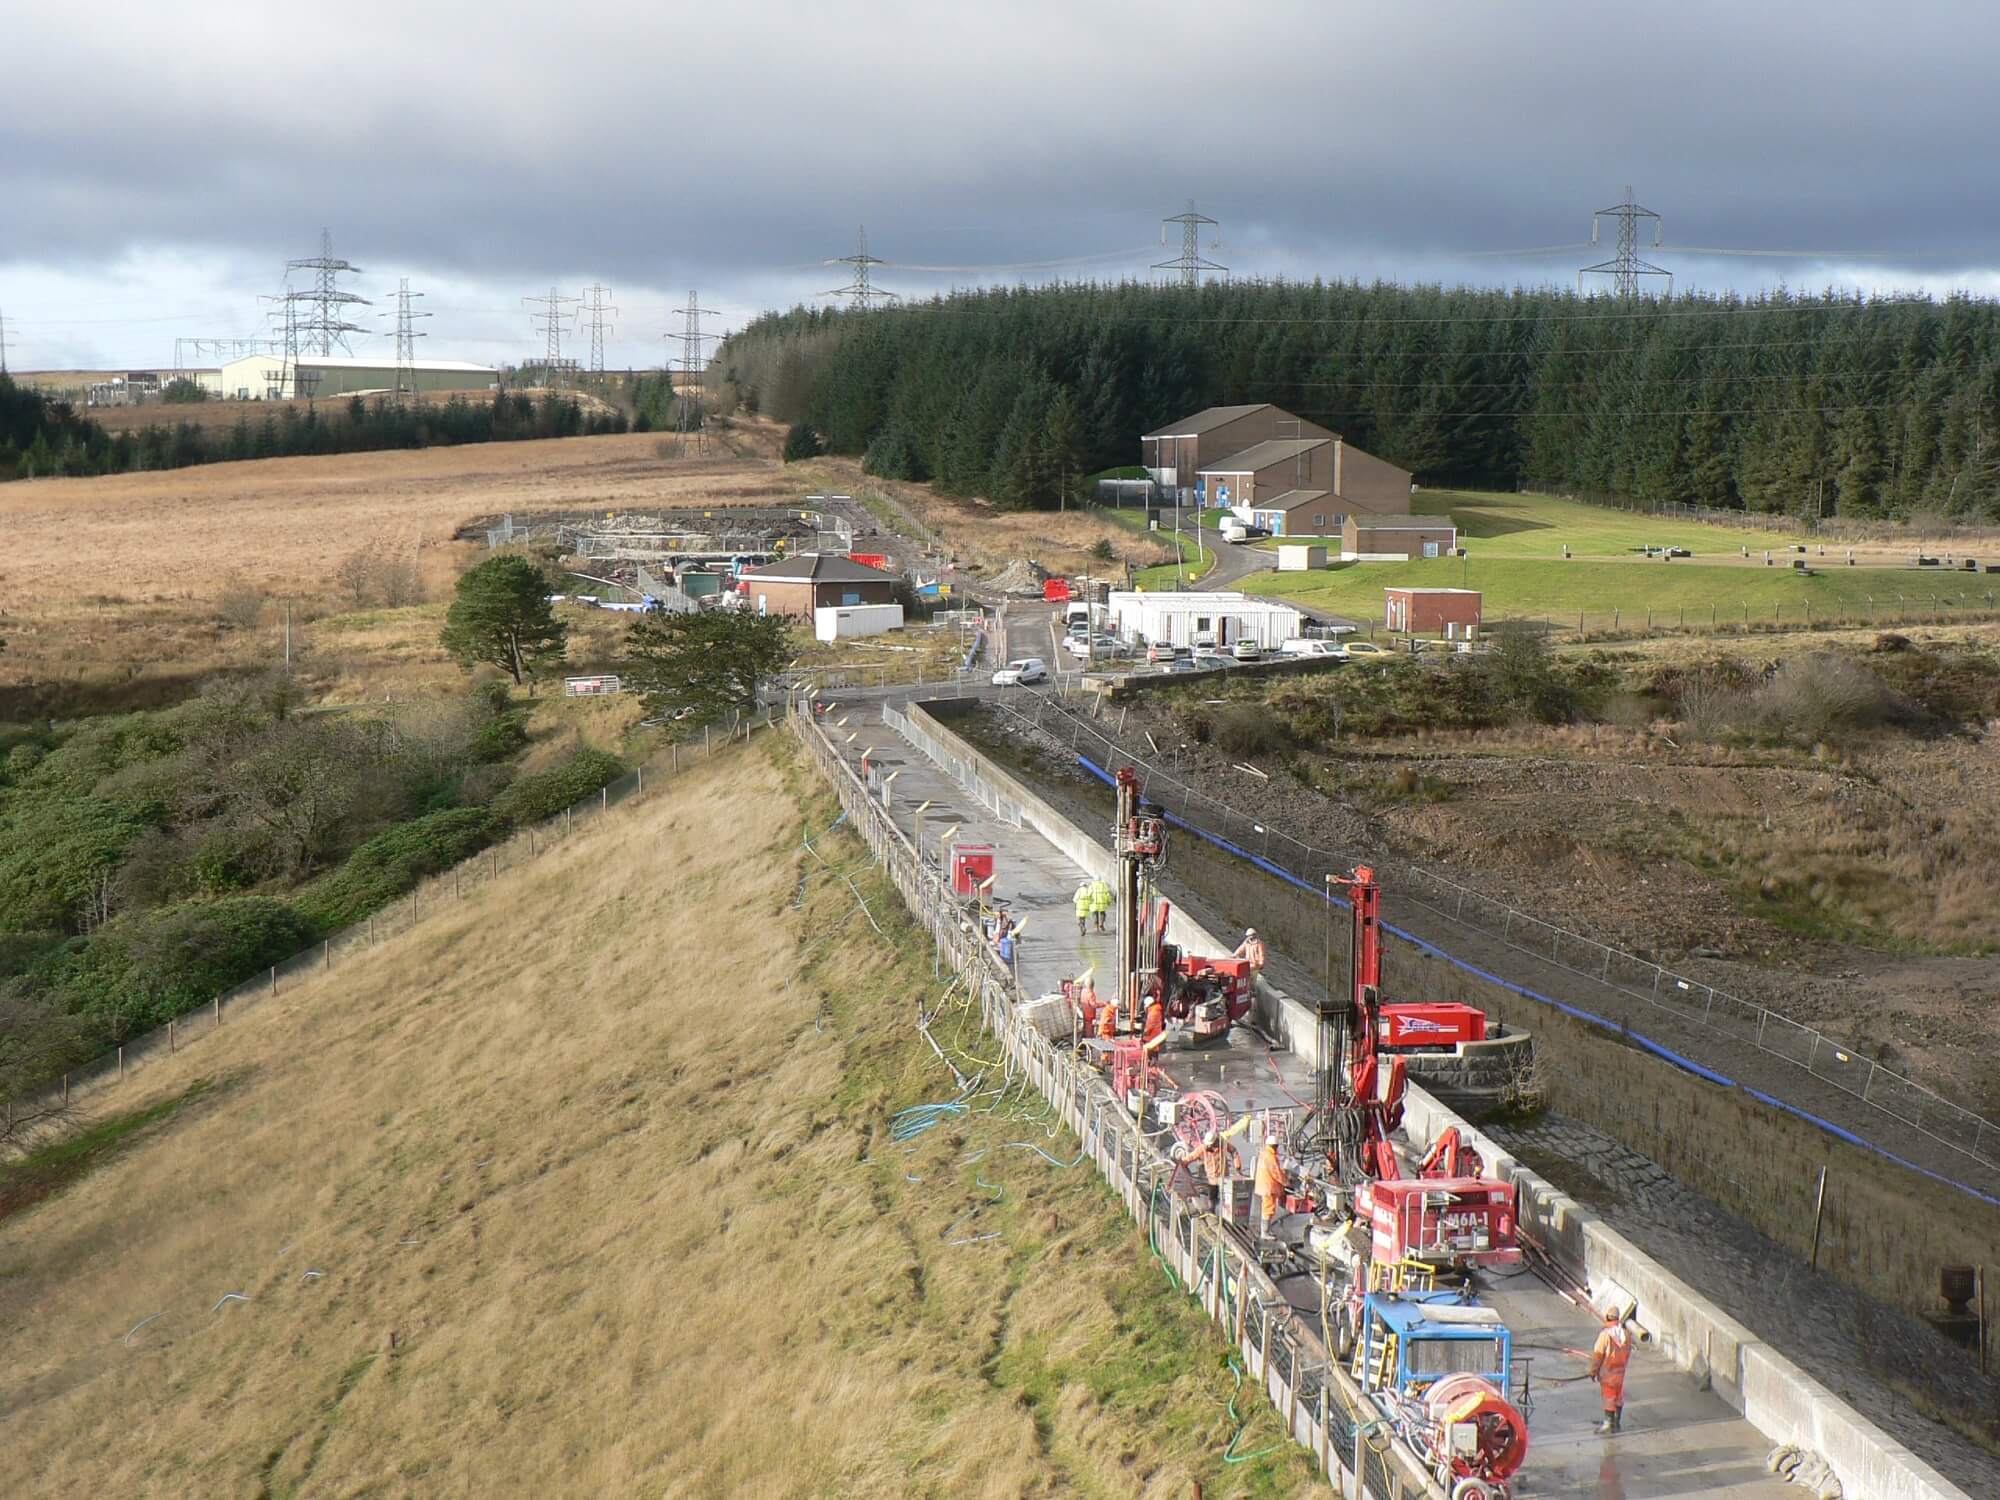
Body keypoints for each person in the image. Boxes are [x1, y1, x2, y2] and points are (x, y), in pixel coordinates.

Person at [1589, 1306, 1634, 1435]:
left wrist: (1593, 1371)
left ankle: (1608, 1424)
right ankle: (1616, 1421)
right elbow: (1628, 1352)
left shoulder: (1605, 1335)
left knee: (1609, 1396)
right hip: (1620, 1372)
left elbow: (1598, 1355)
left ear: (1607, 1317)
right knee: (1618, 1396)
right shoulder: (1625, 1334)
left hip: (1608, 1373)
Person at [1252, 1136, 1289, 1236]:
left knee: (1266, 1208)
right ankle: (1265, 1232)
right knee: (1268, 1209)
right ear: (1275, 1146)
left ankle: (1265, 1230)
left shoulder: (1264, 1154)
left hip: (1264, 1186)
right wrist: (1286, 1182)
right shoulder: (1270, 1157)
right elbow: (1276, 1173)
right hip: (1269, 1187)